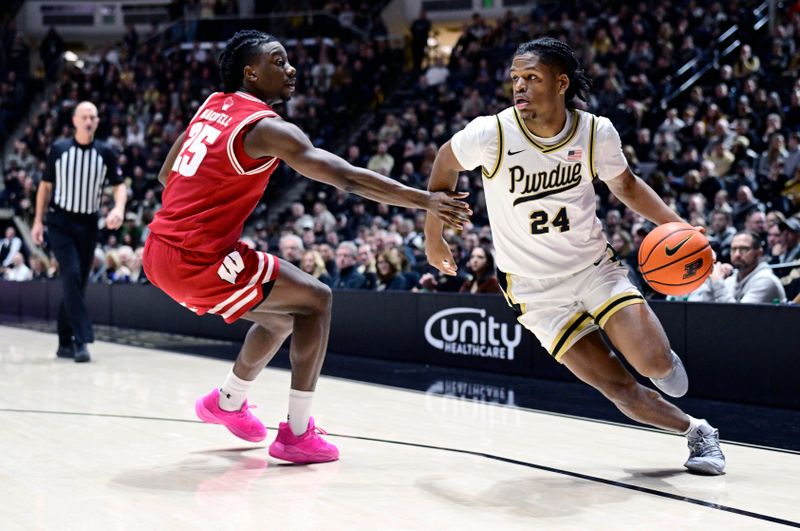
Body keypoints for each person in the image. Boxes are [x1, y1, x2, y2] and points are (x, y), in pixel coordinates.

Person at [142, 30, 470, 464]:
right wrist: (424, 199)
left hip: (157, 251)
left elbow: (168, 175)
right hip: (198, 259)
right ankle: (297, 433)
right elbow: (347, 178)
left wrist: (214, 202)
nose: (291, 69)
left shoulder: (211, 106)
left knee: (279, 319)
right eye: (279, 61)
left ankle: (228, 400)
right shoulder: (267, 129)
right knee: (317, 300)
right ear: (251, 72)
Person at [424, 38, 725, 475]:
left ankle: (658, 357)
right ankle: (698, 432)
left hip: (592, 270)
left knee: (656, 364)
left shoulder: (594, 132)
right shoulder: (492, 132)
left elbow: (627, 186)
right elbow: (444, 164)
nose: (520, 87)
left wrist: (678, 226)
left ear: (561, 83)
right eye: (515, 79)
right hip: (533, 292)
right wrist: (434, 237)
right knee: (618, 387)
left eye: (532, 78)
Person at [31, 101, 127, 363]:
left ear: (97, 122)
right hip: (60, 221)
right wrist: (38, 222)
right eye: (84, 116)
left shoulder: (106, 152)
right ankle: (81, 340)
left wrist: (118, 208)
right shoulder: (59, 149)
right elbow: (44, 187)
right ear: (74, 120)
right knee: (71, 274)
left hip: (88, 224)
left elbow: (120, 186)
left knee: (77, 283)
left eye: (93, 117)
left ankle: (64, 343)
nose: (88, 120)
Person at [686, 231, 786, 303]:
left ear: (759, 253)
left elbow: (737, 317)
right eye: (734, 249)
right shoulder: (732, 280)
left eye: (744, 249)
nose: (737, 254)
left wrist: (717, 282)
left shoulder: (766, 281)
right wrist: (710, 277)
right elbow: (703, 304)